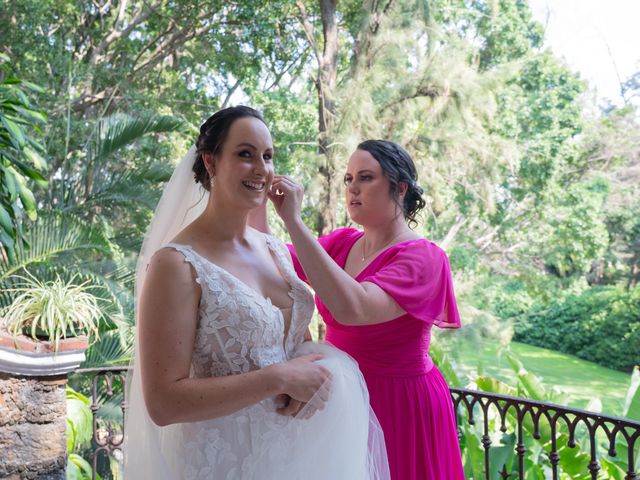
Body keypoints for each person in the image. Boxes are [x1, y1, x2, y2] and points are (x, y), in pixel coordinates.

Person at [122, 107, 389, 480]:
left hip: (291, 455)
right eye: (245, 154)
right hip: (222, 462)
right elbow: (164, 403)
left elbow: (295, 343)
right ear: (210, 163)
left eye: (267, 156)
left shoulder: (275, 249)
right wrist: (278, 379)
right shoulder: (177, 264)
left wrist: (316, 383)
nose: (262, 169)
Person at [266, 140, 465, 479]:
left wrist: (294, 221)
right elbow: (268, 255)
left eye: (366, 178)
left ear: (400, 188)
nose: (352, 188)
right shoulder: (341, 244)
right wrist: (256, 195)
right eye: (347, 179)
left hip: (400, 403)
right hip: (343, 394)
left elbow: (353, 308)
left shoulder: (425, 258)